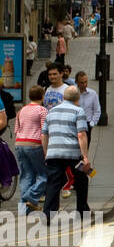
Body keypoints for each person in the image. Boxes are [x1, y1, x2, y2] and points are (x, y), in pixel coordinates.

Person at [42, 84, 91, 220]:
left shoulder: (51, 111)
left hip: (54, 154)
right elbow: (81, 134)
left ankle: (47, 215)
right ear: (78, 98)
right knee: (81, 180)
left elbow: (44, 134)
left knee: (53, 183)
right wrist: (85, 157)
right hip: (73, 155)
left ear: (64, 97)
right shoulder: (78, 111)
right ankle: (83, 212)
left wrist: (46, 153)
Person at [13, 85, 48, 216]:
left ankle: (24, 209)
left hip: (20, 143)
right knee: (44, 175)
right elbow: (44, 132)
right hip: (34, 144)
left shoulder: (22, 110)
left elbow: (17, 129)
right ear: (42, 96)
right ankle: (30, 197)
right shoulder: (42, 110)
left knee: (26, 175)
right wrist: (45, 150)